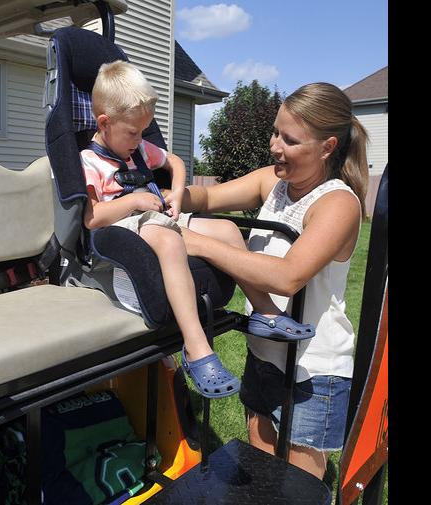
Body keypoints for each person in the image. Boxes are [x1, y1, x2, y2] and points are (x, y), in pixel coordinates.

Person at [80, 60, 314, 400]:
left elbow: (174, 161)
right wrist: (137, 201)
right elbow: (91, 217)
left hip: (155, 214)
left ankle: (264, 310)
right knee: (170, 239)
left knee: (228, 230)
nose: (139, 139)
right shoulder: (90, 161)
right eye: (133, 132)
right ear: (105, 123)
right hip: (123, 226)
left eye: (144, 131)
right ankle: (196, 348)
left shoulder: (138, 148)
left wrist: (176, 191)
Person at [179, 82, 369, 479]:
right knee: (262, 480)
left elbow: (288, 277)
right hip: (264, 355)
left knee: (296, 490)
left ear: (327, 147)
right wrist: (162, 195)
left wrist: (198, 242)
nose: (274, 145)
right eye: (275, 132)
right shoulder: (274, 182)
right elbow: (206, 199)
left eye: (289, 139)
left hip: (312, 372)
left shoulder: (337, 203)